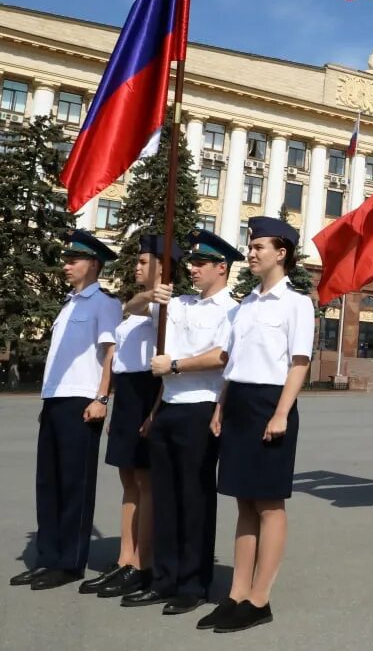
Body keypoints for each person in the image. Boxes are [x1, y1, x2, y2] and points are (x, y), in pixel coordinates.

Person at [205, 217, 314, 633]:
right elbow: (233, 364)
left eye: (259, 247)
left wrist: (282, 412)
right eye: (250, 246)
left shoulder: (296, 303)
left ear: (281, 253)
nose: (250, 253)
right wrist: (221, 405)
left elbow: (299, 362)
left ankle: (260, 598)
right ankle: (236, 594)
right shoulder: (246, 304)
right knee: (243, 501)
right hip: (239, 404)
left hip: (272, 403)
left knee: (269, 503)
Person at [123, 229, 240, 614]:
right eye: (191, 262)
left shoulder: (231, 310)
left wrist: (175, 364)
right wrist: (151, 294)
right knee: (166, 498)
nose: (192, 268)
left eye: (201, 263)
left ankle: (192, 584)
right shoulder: (180, 302)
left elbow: (223, 356)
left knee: (195, 500)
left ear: (221, 268)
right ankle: (164, 578)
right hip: (168, 407)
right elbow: (134, 308)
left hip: (201, 409)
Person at [10, 231, 120, 591]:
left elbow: (110, 354)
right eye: (66, 259)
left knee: (75, 483)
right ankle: (47, 558)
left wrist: (101, 398)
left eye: (74, 259)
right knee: (49, 482)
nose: (66, 265)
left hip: (83, 401)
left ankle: (69, 562)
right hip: (57, 400)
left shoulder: (104, 303)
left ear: (94, 264)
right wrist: (48, 400)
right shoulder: (69, 304)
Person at [83, 236, 172, 600]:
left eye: (144, 261)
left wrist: (154, 412)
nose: (136, 266)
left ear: (164, 267)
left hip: (150, 393)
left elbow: (168, 365)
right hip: (128, 395)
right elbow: (129, 311)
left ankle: (143, 562)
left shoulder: (168, 307)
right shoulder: (140, 304)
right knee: (128, 482)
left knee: (145, 482)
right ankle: (125, 559)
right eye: (135, 261)